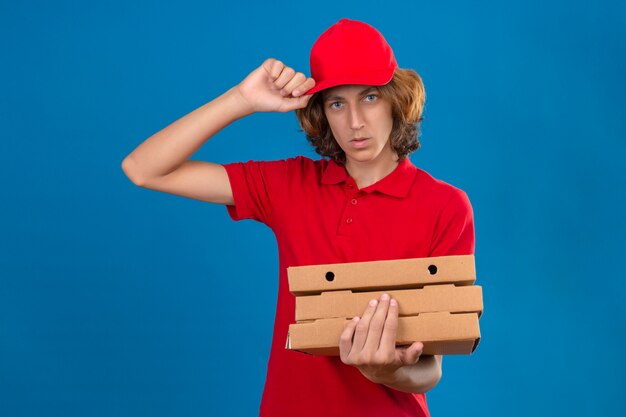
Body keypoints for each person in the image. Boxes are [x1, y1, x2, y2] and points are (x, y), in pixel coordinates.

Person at [122, 18, 474, 417]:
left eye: (370, 97)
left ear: (395, 99)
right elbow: (144, 168)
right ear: (321, 112)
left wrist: (384, 372)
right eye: (337, 103)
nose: (355, 121)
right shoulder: (290, 185)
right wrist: (241, 99)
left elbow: (431, 369)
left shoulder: (445, 206)